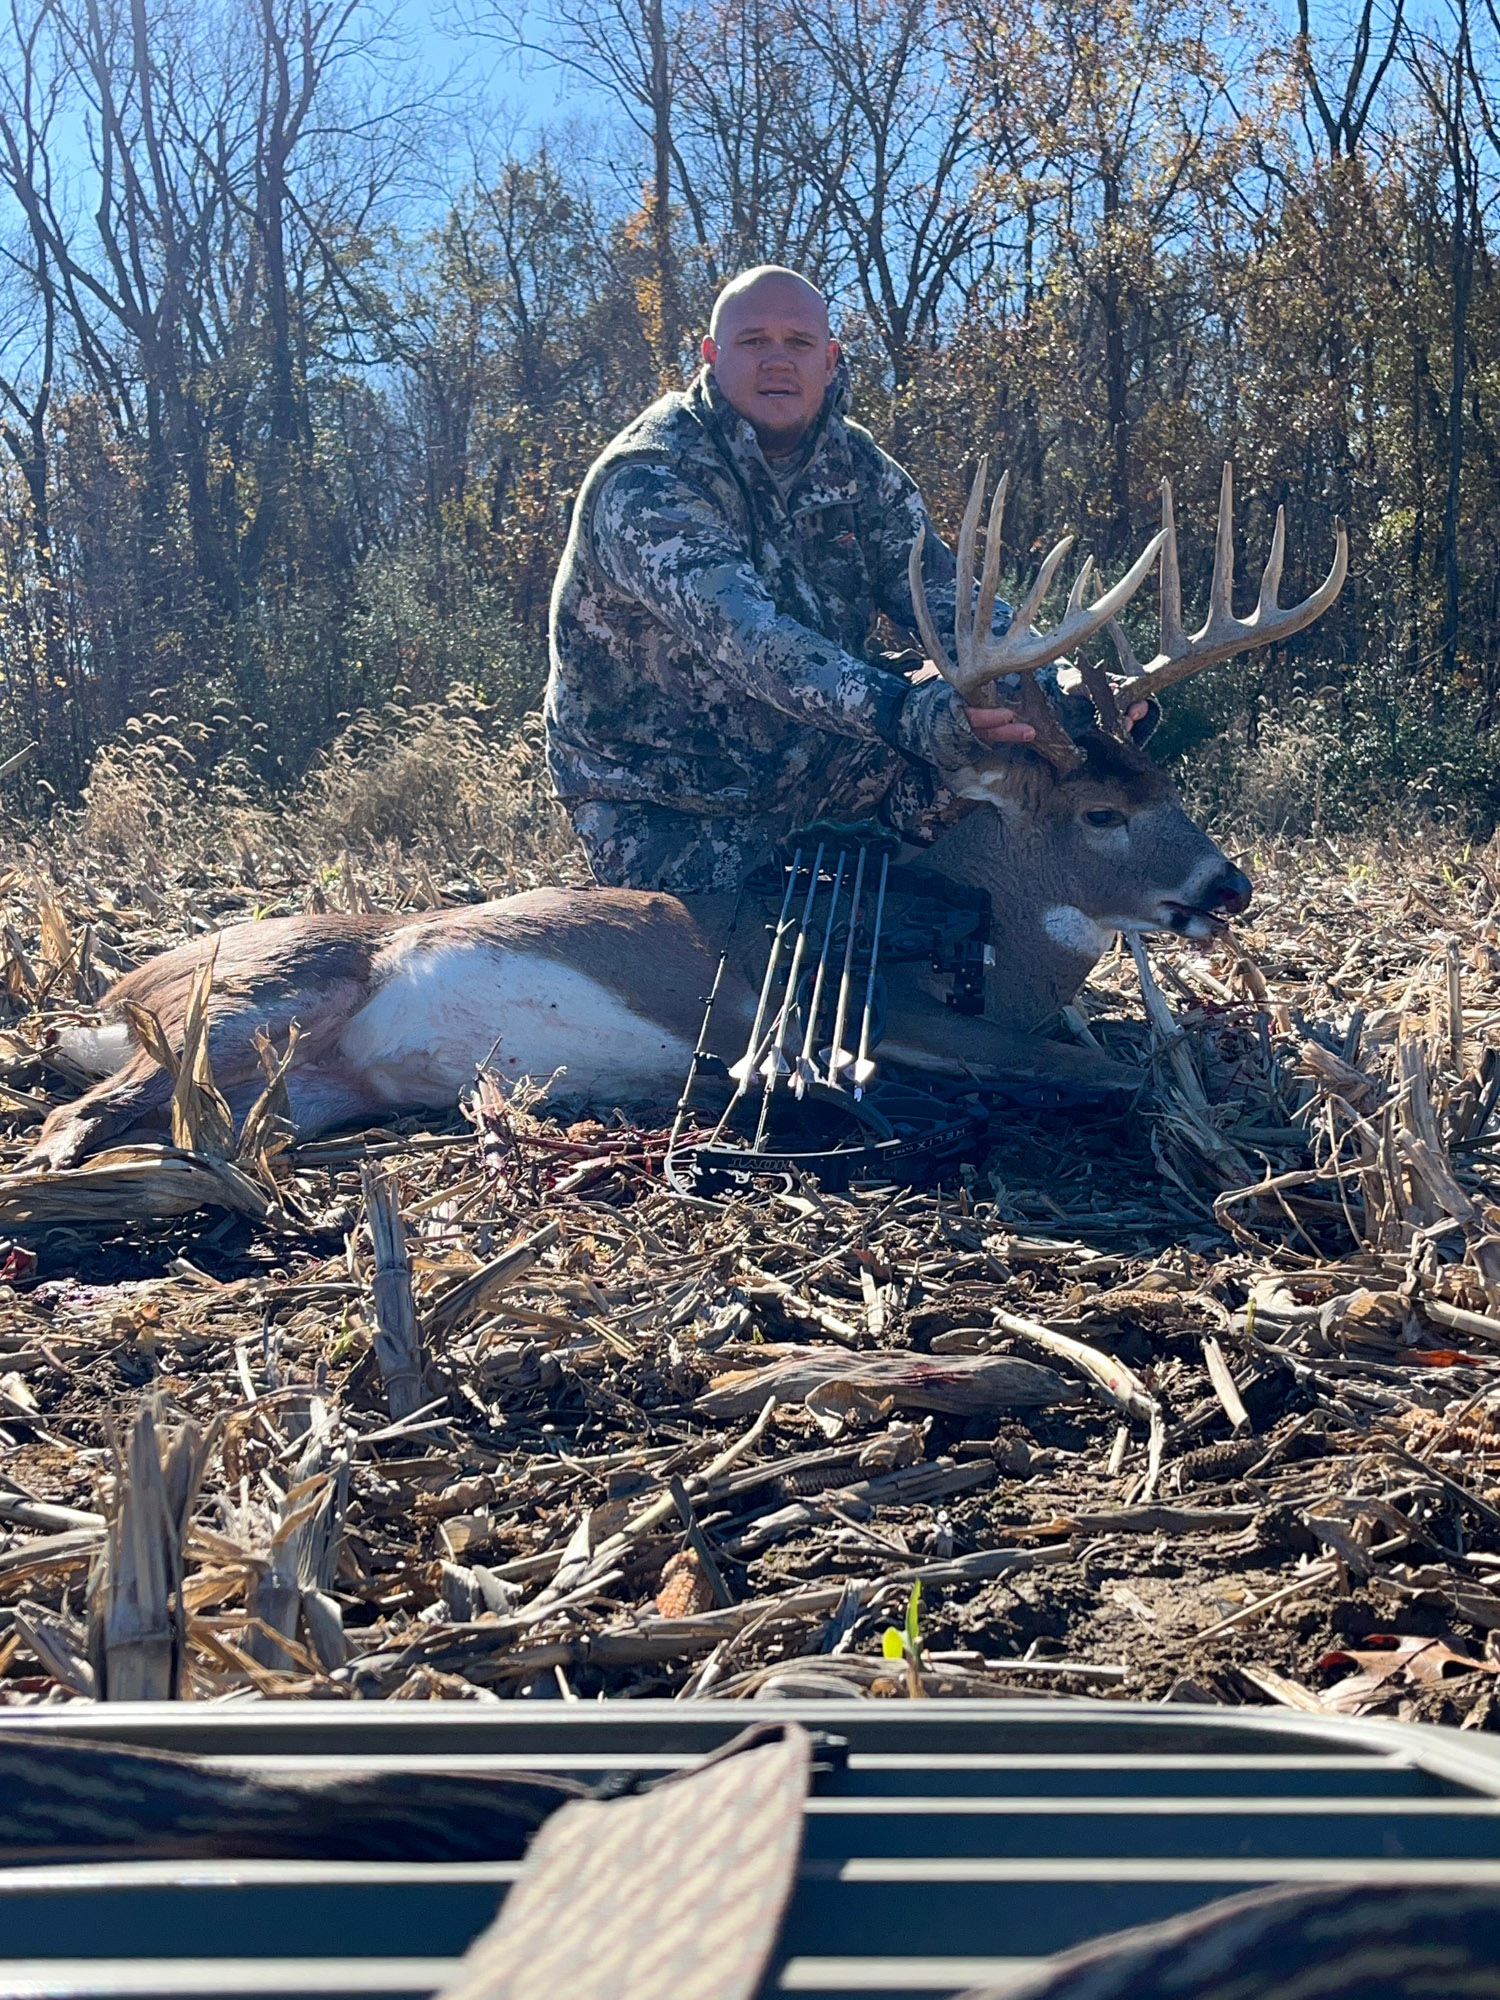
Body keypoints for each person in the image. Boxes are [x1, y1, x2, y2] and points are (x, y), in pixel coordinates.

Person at [546, 265, 1117, 894]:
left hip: (821, 755)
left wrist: (1052, 685)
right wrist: (907, 712)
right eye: (753, 341)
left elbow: (940, 593)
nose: (777, 361)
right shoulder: (651, 480)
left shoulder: (861, 470)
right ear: (710, 356)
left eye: (798, 342)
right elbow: (751, 640)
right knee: (730, 955)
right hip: (665, 792)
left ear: (829, 359)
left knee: (1007, 771)